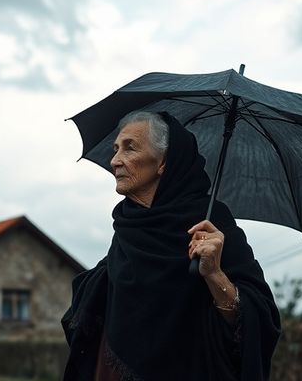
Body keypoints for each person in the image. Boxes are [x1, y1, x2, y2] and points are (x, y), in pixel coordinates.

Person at [61, 110, 281, 380]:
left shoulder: (212, 221)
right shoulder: (128, 226)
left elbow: (259, 318)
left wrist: (214, 274)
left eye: (129, 148)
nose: (115, 160)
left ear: (164, 161)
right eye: (115, 149)